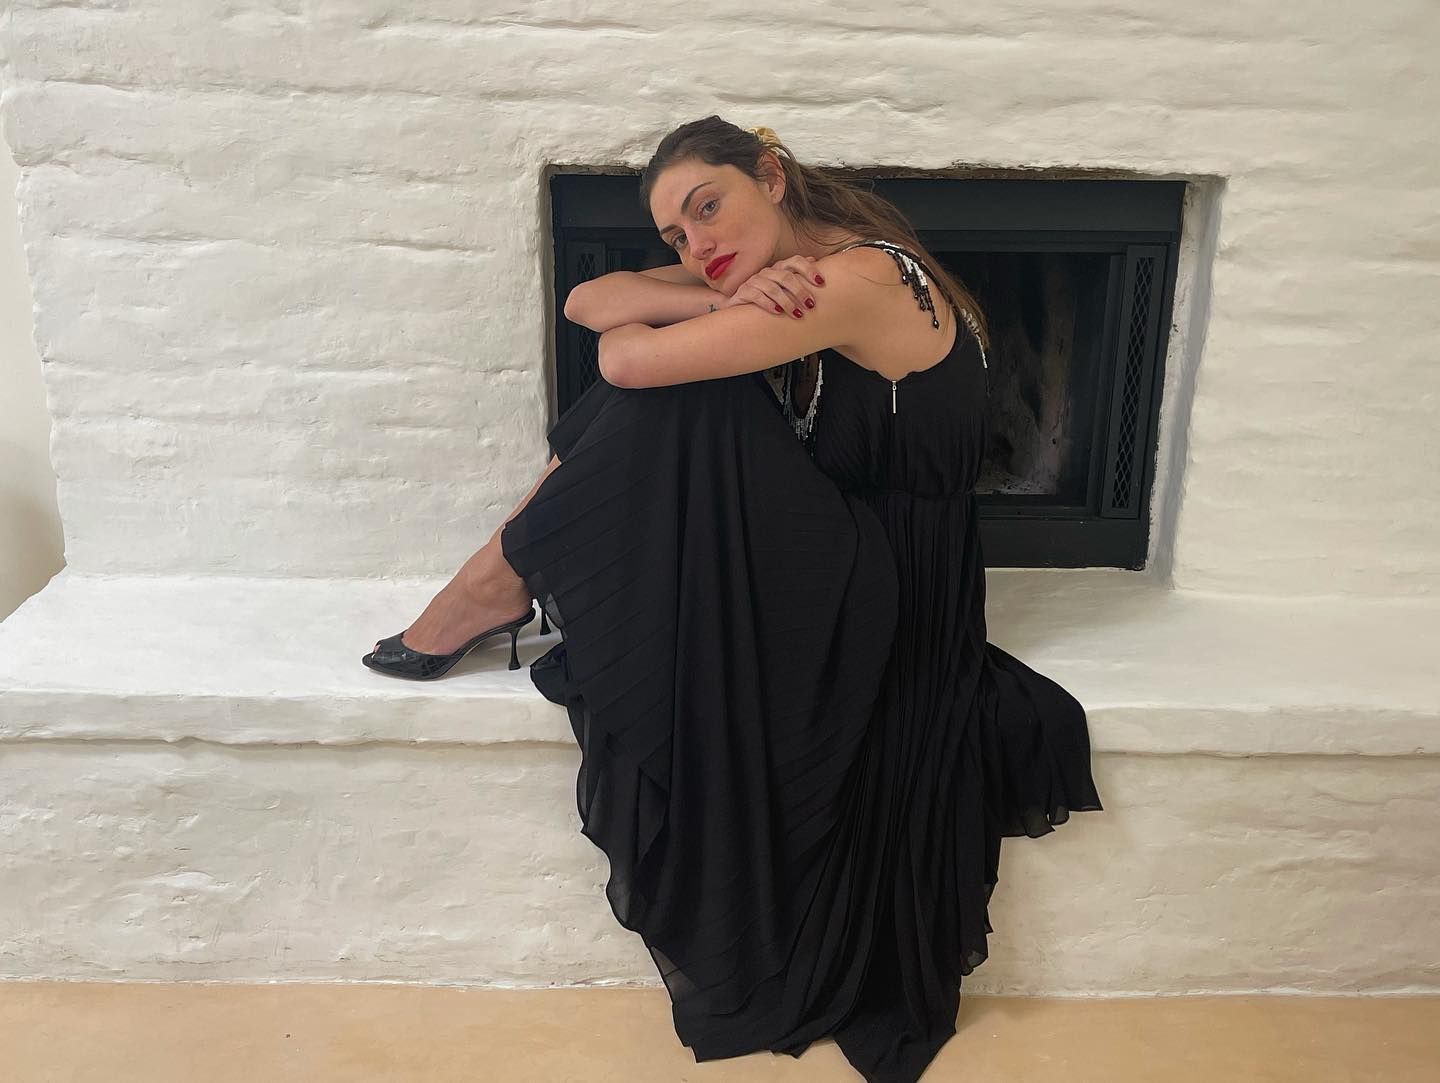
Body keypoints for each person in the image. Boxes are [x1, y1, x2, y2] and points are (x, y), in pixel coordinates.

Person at [363, 116, 1103, 1083]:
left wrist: (681, 311)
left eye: (708, 208)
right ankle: (497, 580)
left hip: (889, 594)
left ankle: (493, 583)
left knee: (679, 391)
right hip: (846, 548)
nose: (697, 243)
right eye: (676, 235)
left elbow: (621, 358)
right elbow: (587, 299)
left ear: (772, 175)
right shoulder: (792, 268)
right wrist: (710, 292)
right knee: (680, 384)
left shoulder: (855, 280)